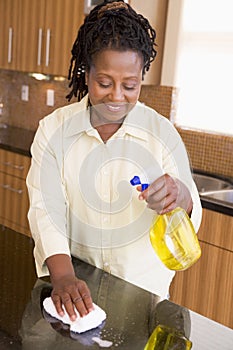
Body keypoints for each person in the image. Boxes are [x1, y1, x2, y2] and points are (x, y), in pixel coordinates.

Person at [26, 0, 202, 323]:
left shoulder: (161, 135)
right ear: (86, 71)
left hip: (142, 304)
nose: (117, 96)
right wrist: (63, 277)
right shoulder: (53, 132)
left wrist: (182, 196)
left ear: (140, 78)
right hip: (75, 298)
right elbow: (44, 210)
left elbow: (189, 206)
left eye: (130, 85)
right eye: (104, 83)